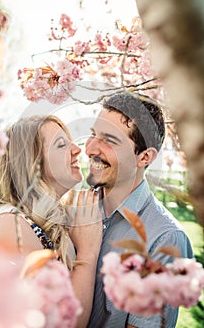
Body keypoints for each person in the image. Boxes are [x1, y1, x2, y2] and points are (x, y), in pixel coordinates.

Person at [0, 114, 102, 328]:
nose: (77, 149)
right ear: (31, 163)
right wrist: (88, 254)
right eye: (61, 144)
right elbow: (66, 323)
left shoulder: (47, 222)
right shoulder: (9, 224)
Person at [85, 93, 193, 328]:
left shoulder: (165, 239)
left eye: (109, 140)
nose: (91, 148)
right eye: (93, 135)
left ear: (144, 157)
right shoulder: (74, 211)